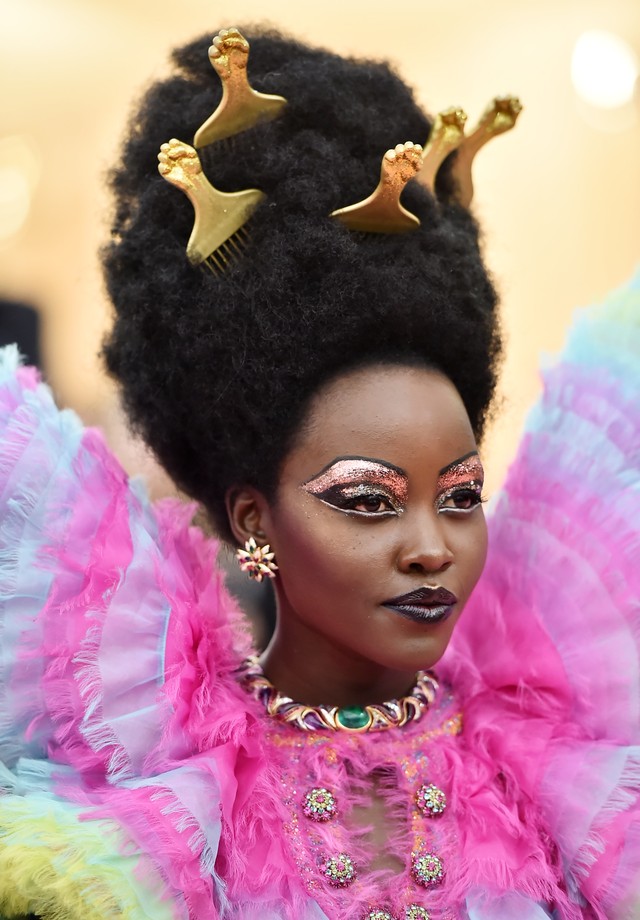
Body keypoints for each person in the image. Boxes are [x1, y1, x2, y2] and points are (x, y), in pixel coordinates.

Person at [0, 25, 638, 920]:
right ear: (256, 521)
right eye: (369, 501)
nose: (432, 548)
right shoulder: (178, 797)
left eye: (460, 497)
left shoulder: (552, 776)